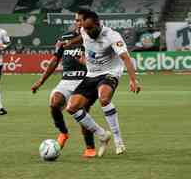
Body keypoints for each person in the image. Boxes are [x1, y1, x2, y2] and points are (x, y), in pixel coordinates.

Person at [62, 10, 142, 156]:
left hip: (109, 72)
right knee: (71, 107)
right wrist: (69, 43)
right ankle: (102, 135)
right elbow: (82, 37)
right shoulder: (84, 30)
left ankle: (118, 141)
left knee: (104, 98)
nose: (87, 31)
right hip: (91, 74)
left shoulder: (112, 36)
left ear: (98, 25)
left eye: (90, 28)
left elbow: (125, 58)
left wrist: (133, 80)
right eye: (84, 28)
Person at [31, 9, 97, 157]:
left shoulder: (93, 38)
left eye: (81, 20)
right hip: (66, 80)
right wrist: (40, 81)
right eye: (77, 20)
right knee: (55, 103)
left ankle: (90, 147)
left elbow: (100, 61)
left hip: (85, 80)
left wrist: (87, 62)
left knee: (82, 112)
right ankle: (63, 133)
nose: (78, 23)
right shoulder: (64, 38)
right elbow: (54, 61)